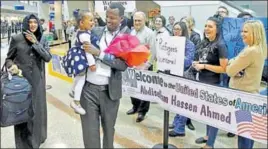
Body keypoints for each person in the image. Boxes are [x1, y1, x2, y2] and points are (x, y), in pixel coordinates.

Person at [79, 2, 130, 148]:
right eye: (107, 17)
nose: (108, 20)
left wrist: (99, 54)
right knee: (89, 132)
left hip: (110, 92)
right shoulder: (96, 31)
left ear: (121, 18)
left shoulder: (125, 38)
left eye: (113, 18)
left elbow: (122, 65)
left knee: (108, 130)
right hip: (88, 90)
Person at [5, 14, 51, 148]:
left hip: (37, 82)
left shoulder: (42, 38)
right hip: (21, 81)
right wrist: (11, 66)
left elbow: (47, 57)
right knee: (22, 112)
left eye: (35, 22)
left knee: (37, 111)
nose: (32, 25)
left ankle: (38, 138)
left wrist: (35, 43)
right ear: (26, 24)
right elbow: (9, 58)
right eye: (29, 22)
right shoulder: (17, 39)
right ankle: (22, 143)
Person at [226, 20, 267, 149]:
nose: (242, 34)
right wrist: (234, 64)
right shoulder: (258, 49)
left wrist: (232, 66)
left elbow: (229, 70)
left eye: (246, 31)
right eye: (242, 31)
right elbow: (234, 63)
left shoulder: (249, 51)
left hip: (242, 97)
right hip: (251, 95)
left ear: (255, 33)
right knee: (249, 133)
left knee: (244, 133)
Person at [193, 16, 228, 149]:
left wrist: (204, 66)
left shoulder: (221, 45)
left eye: (210, 26)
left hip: (214, 84)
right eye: (206, 26)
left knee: (213, 114)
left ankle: (210, 145)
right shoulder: (206, 42)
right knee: (206, 112)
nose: (207, 29)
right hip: (203, 81)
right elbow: (204, 60)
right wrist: (198, 64)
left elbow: (224, 68)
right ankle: (208, 136)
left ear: (217, 29)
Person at [64, 11, 98, 115]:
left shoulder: (81, 31)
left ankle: (72, 90)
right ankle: (76, 102)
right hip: (81, 58)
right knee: (81, 79)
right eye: (91, 20)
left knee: (78, 76)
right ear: (82, 23)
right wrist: (92, 64)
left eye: (93, 20)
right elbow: (88, 51)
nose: (93, 22)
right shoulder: (85, 35)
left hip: (76, 56)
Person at [126, 11, 156, 122]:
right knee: (132, 88)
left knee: (144, 90)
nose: (137, 22)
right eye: (135, 20)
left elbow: (153, 51)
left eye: (139, 20)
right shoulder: (132, 32)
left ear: (144, 21)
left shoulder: (150, 33)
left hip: (144, 66)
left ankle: (142, 112)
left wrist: (147, 65)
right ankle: (135, 107)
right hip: (132, 65)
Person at [168, 21, 195, 137]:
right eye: (175, 29)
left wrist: (175, 58)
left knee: (183, 103)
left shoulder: (189, 44)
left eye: (179, 29)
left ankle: (180, 129)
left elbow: (188, 61)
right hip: (174, 75)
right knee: (176, 102)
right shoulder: (171, 42)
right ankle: (176, 121)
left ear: (183, 30)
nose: (176, 31)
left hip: (185, 76)